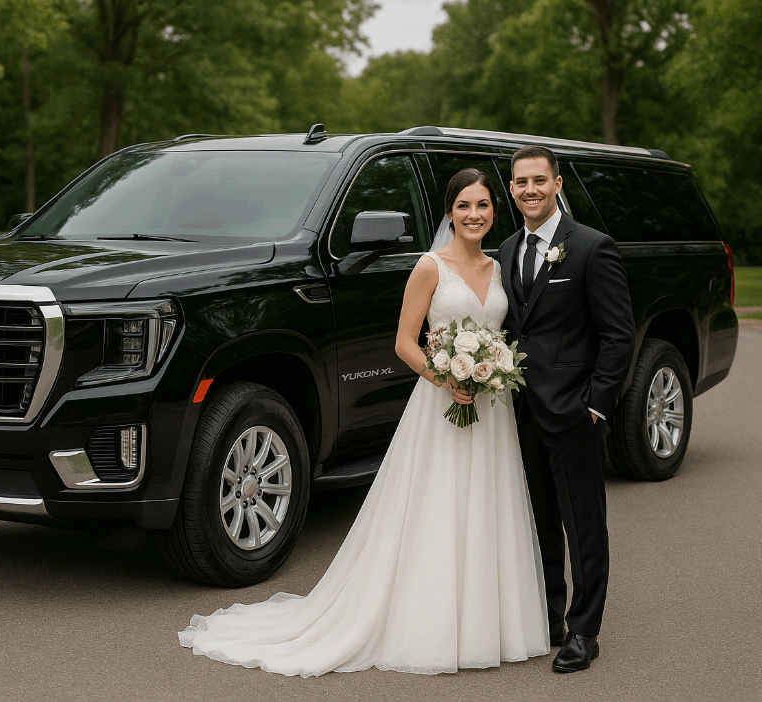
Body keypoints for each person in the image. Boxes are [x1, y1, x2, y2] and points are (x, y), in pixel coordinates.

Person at [178, 169, 550, 677]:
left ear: (494, 211)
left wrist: (491, 369)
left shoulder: (501, 266)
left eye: (483, 205)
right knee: (437, 509)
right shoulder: (429, 266)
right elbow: (403, 342)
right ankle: (434, 622)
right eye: (464, 206)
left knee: (489, 505)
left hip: (491, 409)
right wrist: (447, 375)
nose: (474, 215)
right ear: (449, 212)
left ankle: (490, 622)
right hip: (442, 403)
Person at [465, 145, 635, 673]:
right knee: (538, 521)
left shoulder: (591, 247)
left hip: (575, 414)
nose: (529, 189)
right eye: (520, 182)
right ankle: (551, 616)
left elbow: (618, 336)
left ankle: (586, 631)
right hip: (520, 414)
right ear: (511, 190)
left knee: (584, 526)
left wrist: (597, 406)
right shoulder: (509, 248)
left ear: (558, 184)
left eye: (540, 180)